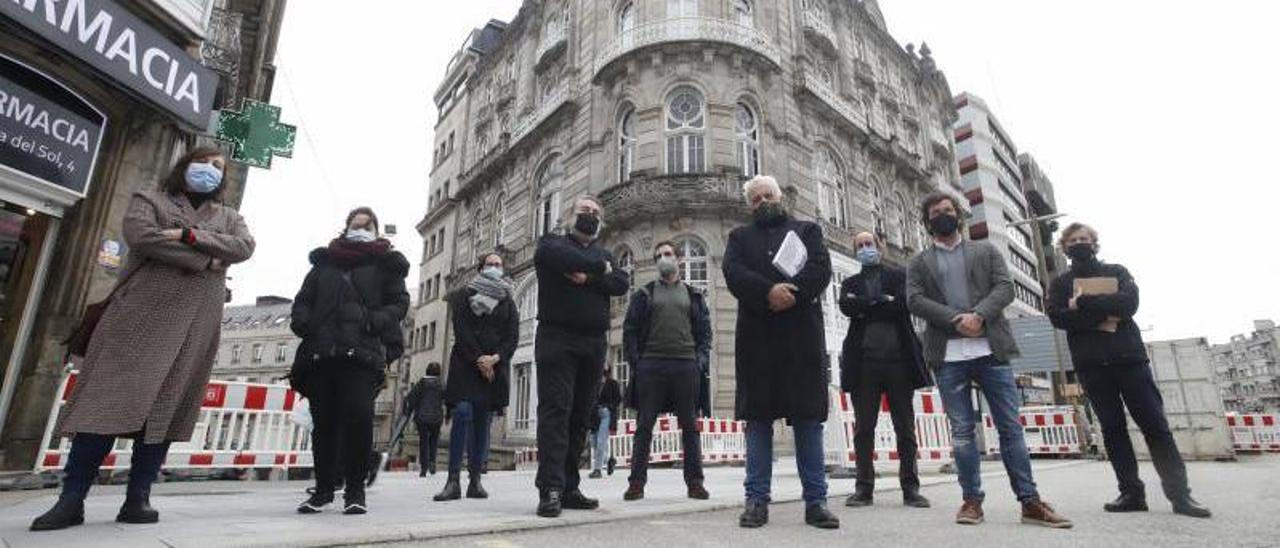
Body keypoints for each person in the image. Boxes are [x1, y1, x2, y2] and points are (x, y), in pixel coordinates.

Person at [32, 147, 255, 531]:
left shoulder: (230, 216)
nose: (211, 171)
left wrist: (186, 234)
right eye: (204, 163)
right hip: (137, 319)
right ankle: (72, 499)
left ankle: (138, 498)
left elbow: (244, 247)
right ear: (185, 165)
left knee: (164, 410)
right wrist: (206, 259)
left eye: (219, 167)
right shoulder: (149, 199)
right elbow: (143, 237)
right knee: (103, 404)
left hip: (193, 325)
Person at [905, 192, 1071, 528]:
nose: (942, 215)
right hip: (948, 356)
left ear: (959, 217)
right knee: (963, 433)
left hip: (990, 351)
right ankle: (971, 501)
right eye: (935, 212)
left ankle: (1030, 502)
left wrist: (978, 315)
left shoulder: (986, 250)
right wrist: (955, 319)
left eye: (948, 210)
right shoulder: (919, 262)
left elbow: (1005, 287)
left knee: (1010, 428)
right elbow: (915, 300)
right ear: (927, 222)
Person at [1046, 223, 1211, 518]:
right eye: (1073, 240)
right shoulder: (1060, 283)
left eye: (1084, 239)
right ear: (1064, 247)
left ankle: (1181, 496)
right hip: (1092, 366)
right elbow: (1058, 318)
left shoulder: (1117, 272)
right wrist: (1103, 314)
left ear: (1094, 243)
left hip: (1129, 360)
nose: (1079, 243)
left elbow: (1129, 303)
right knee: (1112, 429)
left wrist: (1082, 304)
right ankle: (1131, 493)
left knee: (1155, 427)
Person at [722, 175, 839, 530]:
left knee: (807, 421)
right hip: (757, 340)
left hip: (801, 338)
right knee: (758, 422)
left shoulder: (807, 231)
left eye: (767, 195)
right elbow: (733, 273)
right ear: (749, 205)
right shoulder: (739, 238)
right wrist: (767, 292)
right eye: (755, 199)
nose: (762, 202)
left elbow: (821, 269)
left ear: (780, 195)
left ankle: (816, 501)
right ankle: (756, 500)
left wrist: (791, 293)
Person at [292, 207, 409, 516]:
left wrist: (375, 321)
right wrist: (305, 322)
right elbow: (304, 299)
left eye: (366, 225)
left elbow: (399, 302)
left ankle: (355, 491)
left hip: (361, 354)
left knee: (358, 419)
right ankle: (323, 490)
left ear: (375, 229)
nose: (360, 229)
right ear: (344, 229)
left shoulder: (386, 264)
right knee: (325, 425)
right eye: (355, 225)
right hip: (323, 352)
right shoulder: (324, 264)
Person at [532, 195, 630, 517]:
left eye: (595, 212)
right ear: (571, 216)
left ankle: (570, 486)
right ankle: (550, 488)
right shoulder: (552, 243)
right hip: (557, 338)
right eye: (584, 210)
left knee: (580, 416)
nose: (590, 215)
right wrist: (600, 270)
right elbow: (558, 257)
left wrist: (589, 276)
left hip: (593, 342)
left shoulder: (604, 253)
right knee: (555, 412)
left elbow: (620, 282)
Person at [838, 232, 932, 509]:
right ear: (855, 251)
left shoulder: (899, 276)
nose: (865, 248)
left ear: (879, 247)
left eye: (869, 244)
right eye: (860, 246)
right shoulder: (849, 282)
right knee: (864, 428)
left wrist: (865, 305)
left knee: (905, 428)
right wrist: (880, 301)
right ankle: (864, 489)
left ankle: (911, 489)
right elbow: (846, 306)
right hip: (864, 364)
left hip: (898, 362)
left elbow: (903, 305)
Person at [621, 241, 713, 501]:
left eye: (668, 254)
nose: (664, 258)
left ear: (679, 259)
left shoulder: (694, 295)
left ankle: (695, 483)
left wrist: (700, 361)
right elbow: (629, 330)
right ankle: (636, 483)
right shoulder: (644, 294)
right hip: (651, 366)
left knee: (690, 427)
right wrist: (636, 363)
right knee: (644, 427)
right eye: (659, 255)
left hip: (686, 366)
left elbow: (705, 333)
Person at [435, 253, 517, 501]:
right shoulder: (464, 295)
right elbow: (461, 330)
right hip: (466, 364)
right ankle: (452, 481)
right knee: (462, 413)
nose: (494, 267)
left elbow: (511, 337)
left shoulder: (508, 301)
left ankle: (475, 481)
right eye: (489, 264)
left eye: (498, 264)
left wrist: (495, 358)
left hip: (494, 368)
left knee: (483, 421)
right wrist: (480, 359)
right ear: (480, 268)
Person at [404, 363, 445, 477]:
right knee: (433, 441)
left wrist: (408, 412)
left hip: (422, 417)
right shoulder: (440, 384)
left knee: (424, 442)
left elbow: (411, 398)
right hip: (436, 418)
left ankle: (424, 467)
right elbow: (446, 397)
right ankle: (432, 462)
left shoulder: (421, 384)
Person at [588, 369, 621, 479]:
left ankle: (597, 470)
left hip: (606, 415)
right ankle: (609, 460)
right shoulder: (593, 384)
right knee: (594, 443)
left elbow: (618, 399)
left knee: (601, 441)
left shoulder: (613, 384)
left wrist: (609, 407)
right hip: (594, 416)